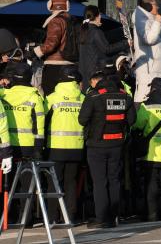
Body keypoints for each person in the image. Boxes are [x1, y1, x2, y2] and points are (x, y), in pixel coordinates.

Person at [79, 66, 136, 228]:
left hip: (96, 145)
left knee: (100, 182)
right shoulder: (125, 97)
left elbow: (82, 120)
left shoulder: (93, 96)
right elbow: (132, 121)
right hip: (117, 143)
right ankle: (114, 216)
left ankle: (102, 218)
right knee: (114, 180)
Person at [43, 66, 84, 224]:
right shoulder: (82, 97)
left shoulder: (52, 97)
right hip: (76, 147)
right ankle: (69, 217)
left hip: (56, 146)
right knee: (71, 182)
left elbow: (43, 118)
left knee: (54, 182)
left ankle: (53, 217)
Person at [133, 78, 161, 221]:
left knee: (151, 184)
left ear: (154, 89)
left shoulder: (147, 106)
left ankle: (153, 214)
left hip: (152, 153)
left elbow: (137, 125)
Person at [32, 0, 76, 96]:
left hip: (55, 65)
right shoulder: (72, 20)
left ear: (50, 5)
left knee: (50, 95)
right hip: (71, 64)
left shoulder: (55, 20)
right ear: (67, 5)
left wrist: (35, 51)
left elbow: (51, 44)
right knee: (67, 95)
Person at [78, 5, 129, 93]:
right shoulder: (96, 32)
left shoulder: (83, 31)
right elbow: (107, 49)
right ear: (96, 16)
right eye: (99, 14)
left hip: (83, 72)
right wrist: (125, 43)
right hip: (96, 73)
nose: (101, 17)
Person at [132, 0, 161, 103]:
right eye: (155, 4)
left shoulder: (149, 20)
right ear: (148, 6)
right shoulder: (142, 20)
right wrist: (158, 22)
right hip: (149, 72)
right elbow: (148, 39)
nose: (158, 7)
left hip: (156, 72)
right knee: (145, 100)